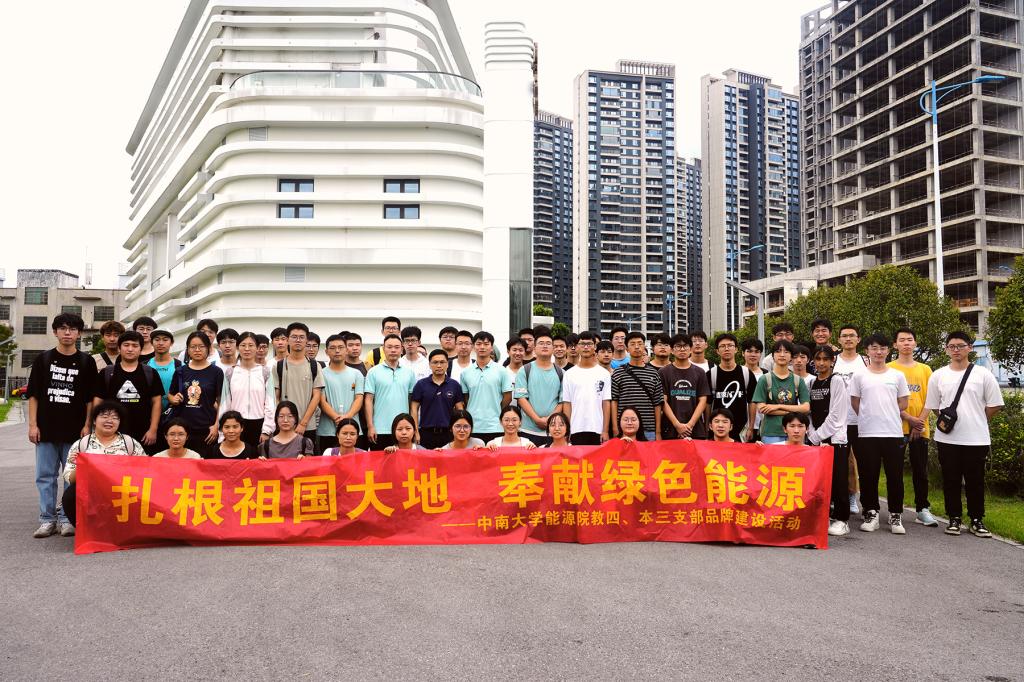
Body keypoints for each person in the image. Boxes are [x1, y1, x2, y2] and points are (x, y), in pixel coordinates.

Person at [924, 331, 1004, 538]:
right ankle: (954, 518)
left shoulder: (983, 374)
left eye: (960, 345)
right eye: (952, 346)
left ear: (970, 347)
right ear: (946, 350)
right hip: (947, 439)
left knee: (975, 480)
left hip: (976, 438)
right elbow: (934, 406)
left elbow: (995, 404)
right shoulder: (938, 375)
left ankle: (977, 520)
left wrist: (977, 419)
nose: (956, 350)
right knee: (950, 479)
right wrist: (948, 422)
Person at [27, 312, 98, 538]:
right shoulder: (43, 359)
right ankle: (47, 519)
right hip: (46, 429)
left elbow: (90, 399)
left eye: (73, 329)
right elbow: (33, 395)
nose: (68, 333)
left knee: (72, 477)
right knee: (45, 476)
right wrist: (33, 425)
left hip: (75, 431)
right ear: (55, 332)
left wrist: (88, 425)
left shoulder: (87, 362)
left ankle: (68, 519)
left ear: (79, 333)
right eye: (63, 328)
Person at [849, 333, 911, 535]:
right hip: (867, 432)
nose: (878, 352)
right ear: (867, 351)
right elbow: (855, 402)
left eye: (882, 348)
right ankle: (871, 512)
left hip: (893, 432)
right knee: (868, 475)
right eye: (874, 348)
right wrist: (870, 414)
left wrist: (887, 412)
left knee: (895, 476)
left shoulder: (897, 375)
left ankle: (895, 514)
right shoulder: (859, 376)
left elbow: (903, 402)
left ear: (888, 350)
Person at [61, 401, 146, 528]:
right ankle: (86, 530)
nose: (109, 421)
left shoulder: (130, 443)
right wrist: (81, 466)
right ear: (94, 421)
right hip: (92, 493)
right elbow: (70, 479)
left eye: (115, 418)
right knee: (70, 495)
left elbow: (145, 470)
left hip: (123, 493)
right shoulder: (82, 444)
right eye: (104, 416)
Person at [887, 327, 937, 527]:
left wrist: (919, 422)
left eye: (909, 339)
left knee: (920, 470)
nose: (906, 343)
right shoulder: (889, 369)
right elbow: (887, 400)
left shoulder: (925, 370)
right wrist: (908, 418)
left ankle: (922, 509)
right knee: (895, 472)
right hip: (895, 428)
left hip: (920, 429)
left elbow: (931, 399)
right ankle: (895, 510)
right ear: (895, 344)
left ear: (915, 343)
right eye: (902, 340)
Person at [806, 345, 851, 537]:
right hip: (816, 439)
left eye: (826, 359)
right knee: (821, 481)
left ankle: (842, 519)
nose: (822, 363)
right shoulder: (811, 383)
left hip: (835, 439)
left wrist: (816, 436)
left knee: (839, 479)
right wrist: (812, 434)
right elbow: (808, 412)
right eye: (818, 359)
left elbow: (836, 416)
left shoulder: (837, 381)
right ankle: (826, 516)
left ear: (833, 361)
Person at [92, 330, 163, 450]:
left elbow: (157, 402)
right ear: (119, 348)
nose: (130, 349)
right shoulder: (107, 372)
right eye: (126, 345)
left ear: (141, 349)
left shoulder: (150, 373)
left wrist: (153, 429)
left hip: (143, 432)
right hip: (111, 431)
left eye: (135, 346)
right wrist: (97, 427)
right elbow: (98, 401)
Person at [167, 331, 224, 458]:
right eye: (193, 347)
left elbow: (221, 401)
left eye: (201, 346)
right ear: (188, 349)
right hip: (183, 430)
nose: (197, 350)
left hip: (207, 429)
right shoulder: (180, 371)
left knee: (204, 464)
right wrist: (173, 399)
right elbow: (170, 395)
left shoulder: (216, 372)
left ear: (208, 348)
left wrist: (216, 426)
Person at [273, 322, 325, 450]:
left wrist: (303, 423)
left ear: (306, 340)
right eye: (294, 337)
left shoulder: (314, 366)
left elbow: (316, 396)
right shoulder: (278, 366)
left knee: (307, 459)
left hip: (308, 426)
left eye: (302, 337)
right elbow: (275, 397)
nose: (298, 340)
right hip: (284, 426)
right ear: (287, 339)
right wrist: (285, 421)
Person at [834, 325, 867, 515]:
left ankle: (865, 504)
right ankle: (843, 501)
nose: (848, 339)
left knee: (864, 463)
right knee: (841, 464)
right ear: (839, 340)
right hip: (838, 422)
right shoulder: (833, 361)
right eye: (844, 336)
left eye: (851, 336)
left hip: (862, 421)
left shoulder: (866, 361)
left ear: (858, 339)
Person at [221, 331, 275, 447]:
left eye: (251, 345)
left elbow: (270, 403)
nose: (247, 349)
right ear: (237, 347)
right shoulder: (230, 372)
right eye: (243, 345)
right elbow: (225, 403)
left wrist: (267, 430)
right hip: (235, 425)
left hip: (259, 424)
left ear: (257, 348)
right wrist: (223, 431)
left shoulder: (265, 372)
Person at [752, 340, 810, 445]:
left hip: (794, 432)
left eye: (786, 351)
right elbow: (762, 408)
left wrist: (776, 406)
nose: (782, 355)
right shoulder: (765, 379)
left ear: (791, 357)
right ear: (773, 356)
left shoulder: (798, 380)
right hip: (771, 432)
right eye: (778, 351)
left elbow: (806, 408)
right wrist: (793, 411)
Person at [365, 334, 417, 449]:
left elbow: (412, 403)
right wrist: (370, 426)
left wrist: (415, 429)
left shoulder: (409, 373)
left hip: (403, 430)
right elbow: (368, 400)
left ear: (402, 349)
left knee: (403, 460)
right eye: (389, 347)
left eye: (397, 347)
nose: (393, 350)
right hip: (379, 429)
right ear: (383, 349)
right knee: (380, 460)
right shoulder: (373, 372)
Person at [461, 331, 513, 443]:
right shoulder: (465, 373)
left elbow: (508, 397)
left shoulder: (502, 371)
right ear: (473, 347)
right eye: (478, 344)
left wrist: (496, 409)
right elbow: (466, 398)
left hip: (496, 426)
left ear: (491, 347)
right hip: (472, 426)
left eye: (486, 344)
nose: (482, 347)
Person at [560, 331, 611, 445]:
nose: (586, 347)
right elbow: (567, 404)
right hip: (575, 428)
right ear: (577, 347)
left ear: (595, 347)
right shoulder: (569, 374)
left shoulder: (604, 374)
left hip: (597, 428)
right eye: (582, 344)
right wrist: (568, 430)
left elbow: (606, 403)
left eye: (589, 344)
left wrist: (605, 430)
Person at [514, 330, 564, 446]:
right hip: (528, 430)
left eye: (548, 343)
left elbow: (562, 401)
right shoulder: (525, 370)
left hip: (553, 431)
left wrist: (550, 420)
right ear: (534, 348)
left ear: (553, 348)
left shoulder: (561, 373)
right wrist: (536, 419)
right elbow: (521, 398)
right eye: (541, 343)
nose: (545, 346)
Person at [317, 333, 366, 451]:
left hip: (352, 429)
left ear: (346, 350)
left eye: (340, 347)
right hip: (327, 430)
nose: (337, 351)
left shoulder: (356, 374)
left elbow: (359, 399)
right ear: (326, 351)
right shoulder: (321, 374)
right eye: (333, 348)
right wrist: (336, 417)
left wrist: (347, 418)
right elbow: (321, 401)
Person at [611, 331, 663, 441]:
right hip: (624, 430)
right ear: (626, 348)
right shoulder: (618, 372)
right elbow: (614, 401)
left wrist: (658, 432)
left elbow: (657, 404)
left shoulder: (653, 373)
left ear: (644, 347)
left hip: (649, 430)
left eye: (640, 343)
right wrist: (615, 428)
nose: (637, 347)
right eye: (632, 344)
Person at [706, 333, 757, 443]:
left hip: (741, 430)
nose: (727, 349)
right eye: (722, 346)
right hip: (718, 430)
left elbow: (752, 402)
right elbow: (707, 404)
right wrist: (707, 427)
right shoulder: (711, 374)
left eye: (730, 345)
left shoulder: (746, 373)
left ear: (736, 349)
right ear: (717, 351)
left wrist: (751, 427)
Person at [660, 334, 711, 440]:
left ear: (691, 349)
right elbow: (663, 401)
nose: (682, 349)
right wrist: (677, 425)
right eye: (678, 346)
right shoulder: (664, 372)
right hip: (670, 429)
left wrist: (690, 425)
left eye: (685, 346)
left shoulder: (700, 372)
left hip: (695, 429)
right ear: (672, 350)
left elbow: (703, 400)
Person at [411, 349, 465, 449]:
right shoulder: (421, 384)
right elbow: (414, 409)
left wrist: (459, 432)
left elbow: (460, 410)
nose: (439, 365)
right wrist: (416, 431)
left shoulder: (455, 385)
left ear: (447, 364)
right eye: (435, 362)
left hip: (448, 433)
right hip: (425, 433)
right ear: (429, 364)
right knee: (426, 459)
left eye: (442, 362)